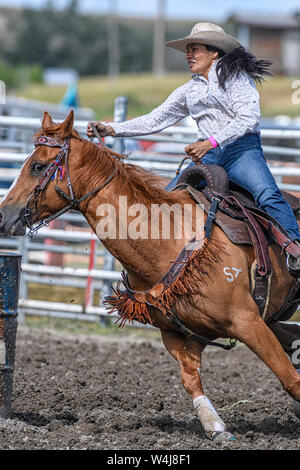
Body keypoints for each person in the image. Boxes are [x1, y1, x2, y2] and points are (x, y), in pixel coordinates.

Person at [86, 22, 300, 276]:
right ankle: (158, 265)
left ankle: (294, 249)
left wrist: (209, 142)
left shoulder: (237, 79)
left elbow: (248, 118)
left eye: (194, 49)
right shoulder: (190, 90)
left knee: (266, 194)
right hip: (209, 156)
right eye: (188, 50)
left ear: (214, 52)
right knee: (165, 202)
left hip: (241, 152)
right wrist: (112, 129)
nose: (188, 55)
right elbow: (156, 119)